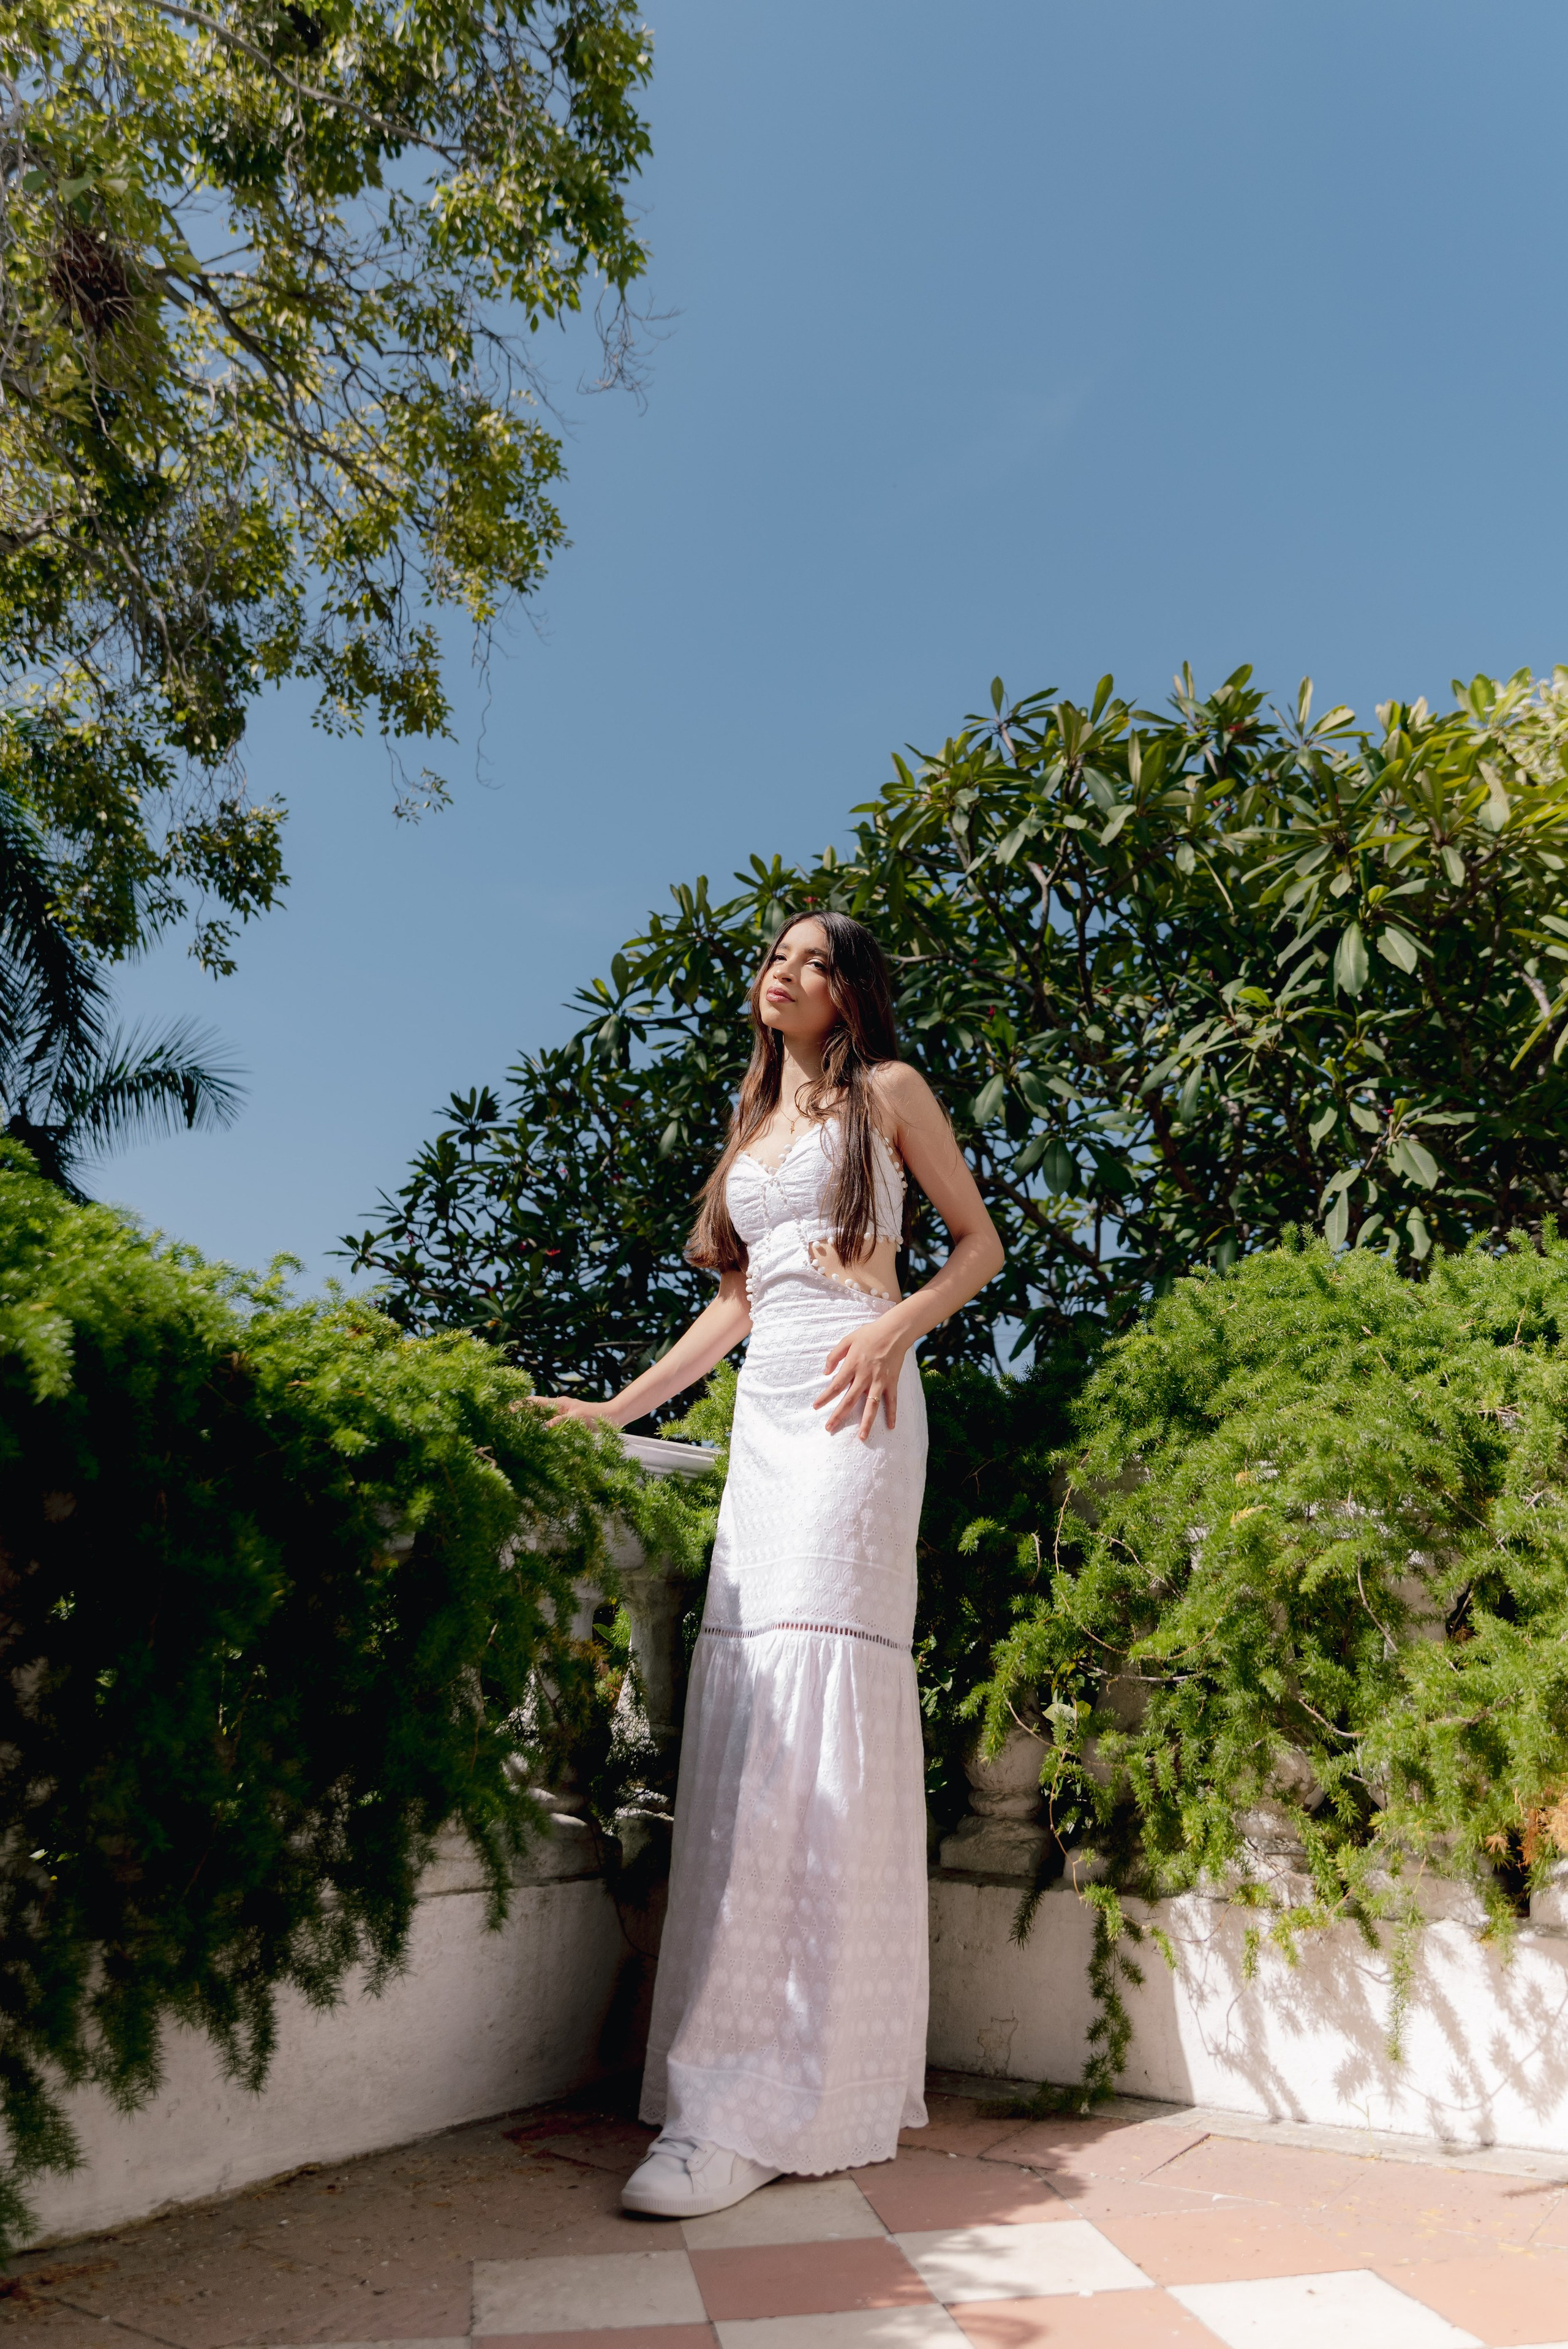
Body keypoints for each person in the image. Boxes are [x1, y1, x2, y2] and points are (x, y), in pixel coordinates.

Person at [531, 910, 1003, 2217]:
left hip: (858, 1408)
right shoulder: (753, 1127)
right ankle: (742, 2071)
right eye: (776, 956)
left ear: (850, 992)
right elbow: (737, 1304)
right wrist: (615, 1410)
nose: (782, 971)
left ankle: (757, 2098)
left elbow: (977, 1245)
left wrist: (897, 1328)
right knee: (753, 1704)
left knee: (809, 1698)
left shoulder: (890, 1091)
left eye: (812, 960)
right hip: (768, 1420)